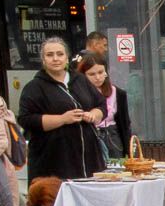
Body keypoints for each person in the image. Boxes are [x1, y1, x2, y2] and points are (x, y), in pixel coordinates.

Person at [17, 37, 105, 182]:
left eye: (60, 54)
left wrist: (93, 114)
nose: (55, 59)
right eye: (49, 55)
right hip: (54, 159)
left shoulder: (80, 80)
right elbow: (25, 119)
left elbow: (101, 104)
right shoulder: (34, 87)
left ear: (67, 57)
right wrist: (62, 119)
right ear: (43, 59)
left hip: (89, 157)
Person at [77, 53, 132, 162]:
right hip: (88, 137)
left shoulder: (117, 93)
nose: (97, 77)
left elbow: (124, 124)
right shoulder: (77, 93)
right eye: (91, 74)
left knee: (115, 167)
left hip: (112, 138)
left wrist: (129, 150)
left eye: (100, 72)